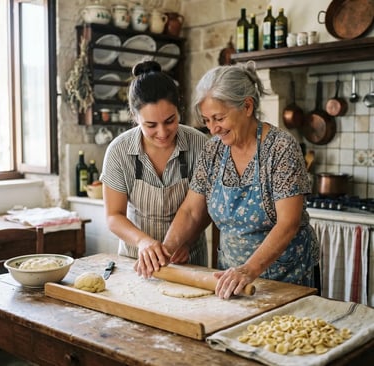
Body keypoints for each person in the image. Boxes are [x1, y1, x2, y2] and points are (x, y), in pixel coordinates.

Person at [135, 61, 319, 299]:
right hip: (230, 280)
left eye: (218, 118)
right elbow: (191, 210)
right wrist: (167, 251)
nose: (213, 129)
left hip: (288, 279)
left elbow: (288, 223)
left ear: (247, 106)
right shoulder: (213, 151)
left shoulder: (280, 148)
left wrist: (248, 270)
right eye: (207, 120)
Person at [100, 60, 208, 267]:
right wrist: (143, 242)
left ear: (179, 110)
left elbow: (203, 210)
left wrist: (187, 240)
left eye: (170, 121)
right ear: (135, 116)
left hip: (188, 259)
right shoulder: (119, 151)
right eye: (150, 125)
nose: (162, 132)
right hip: (136, 259)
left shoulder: (200, 145)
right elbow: (114, 216)